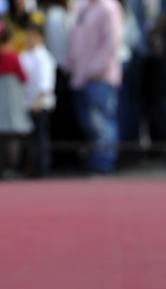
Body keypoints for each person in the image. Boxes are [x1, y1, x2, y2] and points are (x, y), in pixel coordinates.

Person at [67, 0, 124, 173]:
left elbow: (112, 44)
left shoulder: (108, 7)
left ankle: (104, 165)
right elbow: (76, 39)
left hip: (100, 78)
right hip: (80, 77)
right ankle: (95, 162)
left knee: (102, 124)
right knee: (89, 125)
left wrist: (93, 70)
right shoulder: (82, 6)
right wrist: (72, 66)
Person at [0, 21, 30, 175]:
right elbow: (24, 77)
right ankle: (11, 167)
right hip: (11, 103)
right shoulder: (13, 57)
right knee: (12, 137)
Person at [20, 20, 56, 176]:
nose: (29, 39)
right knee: (30, 139)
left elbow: (46, 82)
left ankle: (42, 169)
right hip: (27, 103)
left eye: (33, 36)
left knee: (40, 138)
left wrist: (39, 100)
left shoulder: (44, 57)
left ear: (42, 38)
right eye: (28, 36)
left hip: (40, 103)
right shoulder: (25, 55)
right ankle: (31, 168)